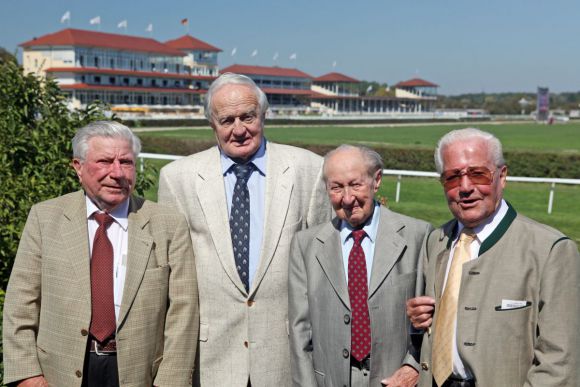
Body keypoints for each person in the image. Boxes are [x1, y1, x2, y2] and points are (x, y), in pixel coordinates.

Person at [157, 73, 331, 387]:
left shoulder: (309, 169)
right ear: (212, 123)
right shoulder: (177, 178)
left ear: (263, 115)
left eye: (248, 116)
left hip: (284, 358)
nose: (239, 130)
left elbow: (324, 272)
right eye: (227, 120)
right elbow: (172, 280)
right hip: (211, 359)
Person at [3, 121, 198, 387]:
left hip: (138, 374)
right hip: (59, 373)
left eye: (126, 162)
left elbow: (183, 311)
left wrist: (170, 381)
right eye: (105, 161)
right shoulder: (45, 217)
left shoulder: (167, 224)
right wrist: (28, 375)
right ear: (78, 168)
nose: (117, 173)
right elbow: (21, 304)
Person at [407, 128, 580, 386]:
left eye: (478, 174)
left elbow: (561, 362)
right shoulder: (437, 241)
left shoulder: (550, 250)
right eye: (453, 178)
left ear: (502, 176)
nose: (465, 187)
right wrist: (421, 321)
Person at [288, 145, 432, 387]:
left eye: (355, 184)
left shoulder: (418, 236)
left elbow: (433, 320)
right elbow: (300, 330)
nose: (347, 198)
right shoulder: (306, 245)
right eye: (336, 187)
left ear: (376, 181)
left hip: (395, 380)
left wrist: (413, 366)